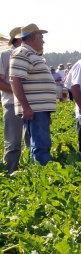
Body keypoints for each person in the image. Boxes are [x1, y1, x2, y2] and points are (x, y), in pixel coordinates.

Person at [9, 24, 57, 166]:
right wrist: (26, 108)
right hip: (34, 109)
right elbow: (15, 80)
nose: (43, 41)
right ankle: (42, 175)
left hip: (38, 109)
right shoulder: (22, 53)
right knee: (40, 145)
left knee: (41, 142)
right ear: (31, 38)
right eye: (41, 37)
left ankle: (38, 174)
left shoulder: (31, 54)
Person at [0, 27, 30, 173]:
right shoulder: (5, 55)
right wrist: (19, 92)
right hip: (12, 103)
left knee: (31, 140)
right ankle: (9, 172)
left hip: (31, 104)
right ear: (19, 39)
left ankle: (31, 172)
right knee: (13, 142)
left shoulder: (32, 55)